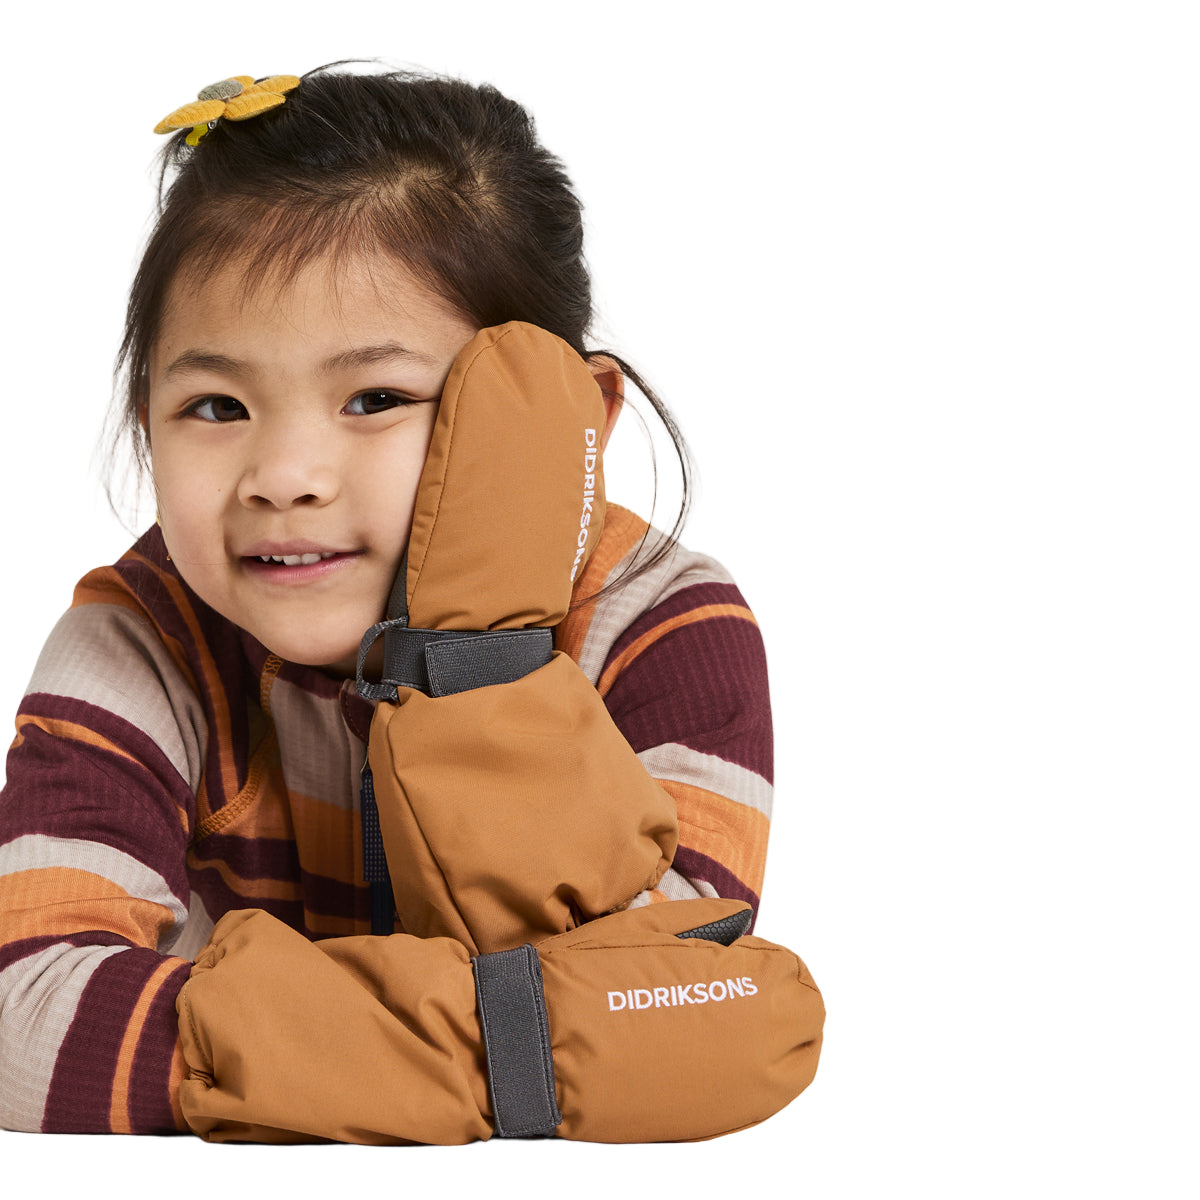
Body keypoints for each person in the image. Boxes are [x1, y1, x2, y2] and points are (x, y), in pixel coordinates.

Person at [0, 65, 821, 1142]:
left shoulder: (668, 631)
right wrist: (523, 1060)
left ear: (567, 419)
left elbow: (675, 972)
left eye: (376, 398)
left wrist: (479, 652)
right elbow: (23, 1022)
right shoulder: (143, 637)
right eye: (215, 404)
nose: (284, 473)